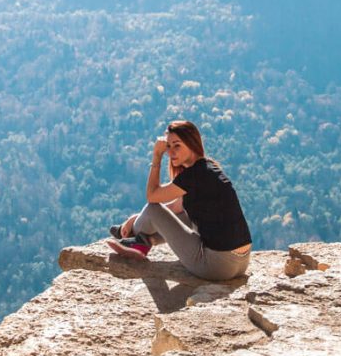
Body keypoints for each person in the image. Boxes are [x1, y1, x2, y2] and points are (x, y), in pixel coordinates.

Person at [106, 120, 252, 280]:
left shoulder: (193, 175)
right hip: (241, 262)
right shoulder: (209, 168)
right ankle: (140, 240)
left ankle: (130, 237)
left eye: (177, 146)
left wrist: (156, 157)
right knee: (184, 215)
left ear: (191, 144)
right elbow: (176, 208)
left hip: (216, 266)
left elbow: (152, 197)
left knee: (152, 209)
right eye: (168, 147)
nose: (171, 152)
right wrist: (133, 218)